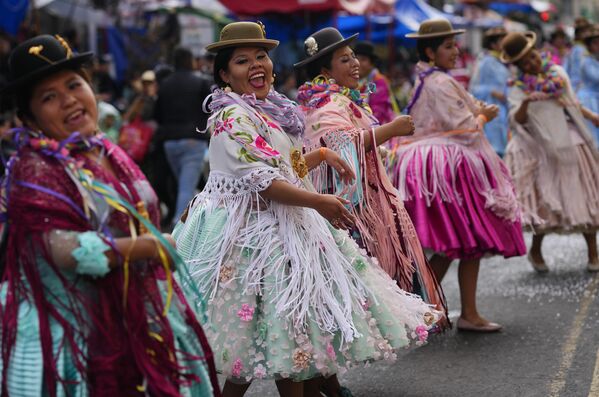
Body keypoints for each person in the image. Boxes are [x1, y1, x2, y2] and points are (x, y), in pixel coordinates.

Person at [173, 21, 442, 397]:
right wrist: (319, 201)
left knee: (283, 339)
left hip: (283, 230)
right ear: (224, 74)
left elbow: (285, 165)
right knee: (268, 339)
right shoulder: (231, 117)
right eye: (242, 60)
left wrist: (322, 154)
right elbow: (263, 181)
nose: (256, 66)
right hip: (250, 238)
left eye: (262, 57)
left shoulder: (265, 110)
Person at [0, 34, 219, 396]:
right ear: (29, 117)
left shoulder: (103, 148)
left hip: (140, 313)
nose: (69, 99)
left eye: (74, 84)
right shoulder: (34, 168)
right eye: (49, 97)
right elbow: (63, 250)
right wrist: (150, 246)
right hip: (83, 330)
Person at [295, 28, 448, 324]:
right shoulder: (326, 105)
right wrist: (391, 130)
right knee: (364, 278)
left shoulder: (342, 100)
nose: (355, 64)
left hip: (371, 196)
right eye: (344, 59)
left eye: (354, 57)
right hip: (352, 205)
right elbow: (339, 144)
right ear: (325, 71)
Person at [391, 19, 526, 332]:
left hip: (438, 166)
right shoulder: (439, 82)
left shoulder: (433, 78)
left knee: (461, 242)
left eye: (455, 45)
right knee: (462, 240)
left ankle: (432, 310)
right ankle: (427, 311)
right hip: (447, 169)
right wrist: (484, 115)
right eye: (448, 46)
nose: (455, 51)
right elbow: (465, 129)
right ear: (429, 50)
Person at [501, 31, 599, 273]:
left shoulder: (558, 74)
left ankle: (593, 251)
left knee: (585, 194)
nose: (532, 63)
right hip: (543, 147)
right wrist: (527, 102)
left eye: (533, 57)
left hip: (571, 139)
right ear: (518, 67)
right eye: (526, 62)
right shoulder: (518, 89)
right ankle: (536, 249)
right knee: (547, 201)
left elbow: (571, 104)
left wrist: (592, 116)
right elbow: (517, 120)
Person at [154, 46, 212, 224]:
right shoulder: (200, 82)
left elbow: (158, 114)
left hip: (170, 142)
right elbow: (209, 108)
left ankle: (192, 220)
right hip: (193, 140)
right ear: (190, 60)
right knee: (186, 188)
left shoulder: (164, 84)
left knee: (183, 185)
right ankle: (178, 227)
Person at [469, 26, 510, 156]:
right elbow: (475, 89)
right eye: (502, 41)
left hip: (502, 109)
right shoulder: (486, 61)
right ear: (493, 44)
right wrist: (493, 92)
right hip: (491, 110)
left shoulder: (502, 61)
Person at [353, 40, 399, 124]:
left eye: (363, 59)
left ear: (372, 63)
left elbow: (377, 113)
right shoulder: (357, 81)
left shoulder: (376, 82)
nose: (358, 63)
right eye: (356, 59)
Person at [579, 25, 599, 145]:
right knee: (593, 135)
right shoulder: (586, 62)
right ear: (590, 46)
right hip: (589, 101)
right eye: (595, 43)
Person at [565, 17, 592, 95]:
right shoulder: (578, 49)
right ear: (578, 34)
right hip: (579, 87)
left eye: (587, 31)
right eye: (583, 31)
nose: (586, 34)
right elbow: (576, 70)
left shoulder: (585, 48)